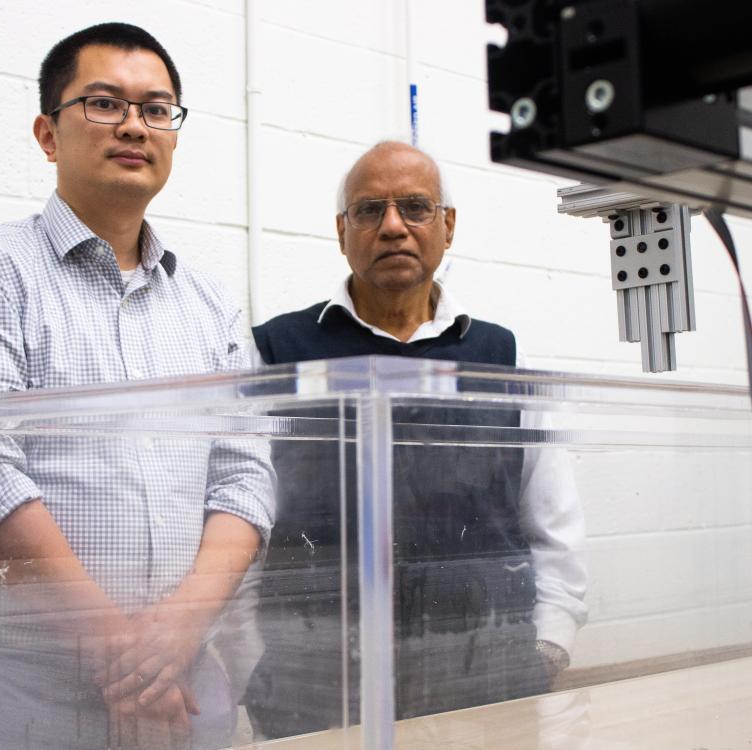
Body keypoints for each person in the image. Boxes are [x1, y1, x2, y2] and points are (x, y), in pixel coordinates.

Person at [0, 22, 274, 750]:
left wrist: (174, 636)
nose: (134, 124)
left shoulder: (211, 304)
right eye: (104, 103)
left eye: (156, 108)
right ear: (48, 133)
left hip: (186, 704)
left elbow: (243, 482)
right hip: (23, 715)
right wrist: (122, 656)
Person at [244, 141, 587, 737]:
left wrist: (550, 644)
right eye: (369, 210)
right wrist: (249, 662)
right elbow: (239, 518)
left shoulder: (502, 359)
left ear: (448, 226)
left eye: (416, 207)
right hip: (317, 685)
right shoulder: (276, 354)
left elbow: (554, 522)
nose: (393, 226)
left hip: (483, 680)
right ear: (342, 231)